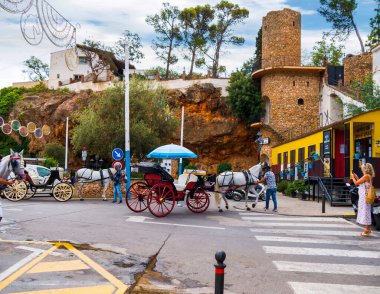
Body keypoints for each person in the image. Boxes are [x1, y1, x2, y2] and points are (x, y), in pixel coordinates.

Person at [352, 162, 375, 237]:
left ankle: (367, 230)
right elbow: (361, 183)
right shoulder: (369, 176)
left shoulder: (366, 176)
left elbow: (356, 183)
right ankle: (368, 229)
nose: (362, 170)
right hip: (365, 196)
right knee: (366, 211)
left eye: (362, 169)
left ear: (365, 169)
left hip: (364, 197)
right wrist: (357, 177)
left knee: (365, 212)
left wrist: (352, 177)